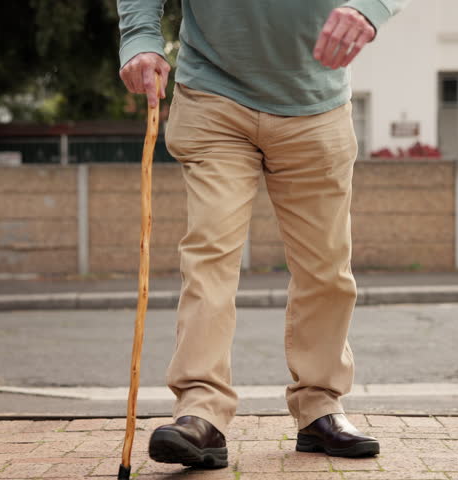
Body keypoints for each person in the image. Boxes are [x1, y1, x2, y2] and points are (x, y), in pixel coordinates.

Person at [117, 0, 410, 468]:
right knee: (209, 254)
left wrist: (370, 7)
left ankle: (319, 406)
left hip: (316, 104)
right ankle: (201, 413)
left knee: (326, 268)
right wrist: (139, 37)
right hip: (214, 95)